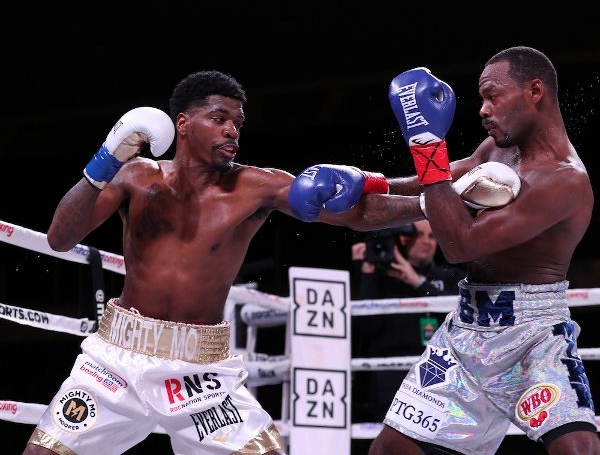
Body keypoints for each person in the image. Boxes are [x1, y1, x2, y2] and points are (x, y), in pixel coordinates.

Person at [24, 70, 404, 455]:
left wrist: (430, 197)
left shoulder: (256, 186)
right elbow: (60, 238)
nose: (232, 131)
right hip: (116, 362)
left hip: (200, 372)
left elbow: (355, 212)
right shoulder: (136, 176)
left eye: (238, 123)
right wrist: (105, 161)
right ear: (183, 123)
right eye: (219, 118)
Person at [289, 47, 599, 455]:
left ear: (535, 91)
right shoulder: (498, 151)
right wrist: (370, 182)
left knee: (577, 450)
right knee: (389, 452)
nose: (483, 110)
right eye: (482, 98)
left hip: (533, 337)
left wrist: (425, 142)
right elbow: (435, 184)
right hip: (467, 331)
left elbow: (460, 244)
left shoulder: (564, 180)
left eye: (493, 96)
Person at [351, 220, 465, 422]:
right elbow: (368, 329)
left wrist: (417, 282)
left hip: (439, 375)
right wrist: (368, 272)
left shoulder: (450, 277)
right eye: (419, 235)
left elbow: (462, 315)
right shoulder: (382, 277)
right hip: (389, 378)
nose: (426, 242)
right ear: (403, 238)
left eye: (432, 236)